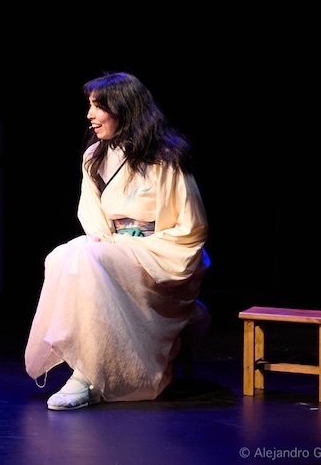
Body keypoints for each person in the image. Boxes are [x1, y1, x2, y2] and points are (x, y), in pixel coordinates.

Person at [23, 71, 211, 410]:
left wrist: (128, 246)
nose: (90, 115)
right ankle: (85, 363)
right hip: (113, 247)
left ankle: (86, 376)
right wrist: (105, 242)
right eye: (89, 106)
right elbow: (92, 215)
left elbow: (191, 225)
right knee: (62, 256)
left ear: (124, 109)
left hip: (159, 251)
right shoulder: (94, 156)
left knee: (88, 259)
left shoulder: (165, 157)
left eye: (98, 107)